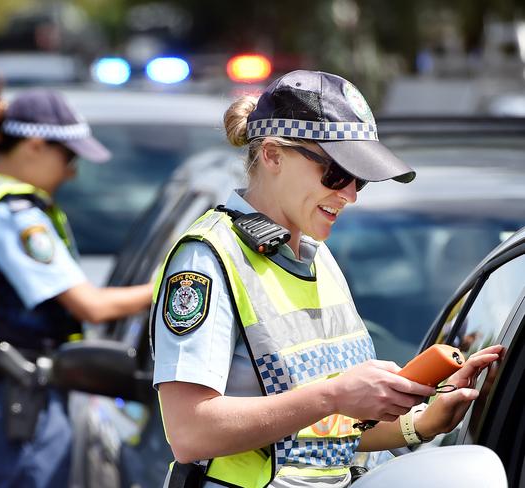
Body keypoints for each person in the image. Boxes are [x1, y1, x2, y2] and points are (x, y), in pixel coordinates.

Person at [150, 70, 503, 488]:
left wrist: (421, 423)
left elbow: (325, 436)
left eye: (361, 179)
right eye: (336, 174)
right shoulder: (207, 259)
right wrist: (334, 395)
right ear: (273, 155)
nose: (350, 194)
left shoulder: (317, 255)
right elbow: (190, 432)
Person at [0, 78, 153, 488]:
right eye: (68, 157)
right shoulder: (15, 214)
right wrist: (169, 287)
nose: (71, 173)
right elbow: (91, 306)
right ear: (34, 145)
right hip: (17, 404)